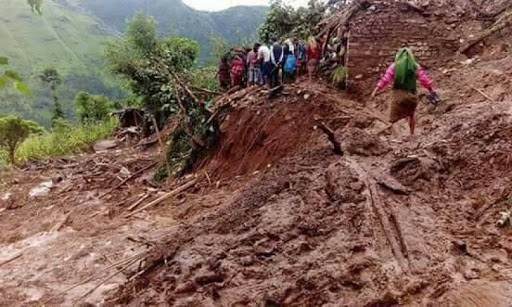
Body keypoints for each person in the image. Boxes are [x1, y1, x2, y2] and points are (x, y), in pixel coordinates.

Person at [371, 47, 437, 135]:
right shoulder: (415, 66)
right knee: (411, 115)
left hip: (398, 96)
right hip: (411, 96)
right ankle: (412, 134)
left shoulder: (394, 66)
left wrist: (376, 90)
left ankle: (391, 136)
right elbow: (424, 80)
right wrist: (431, 90)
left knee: (393, 118)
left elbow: (385, 79)